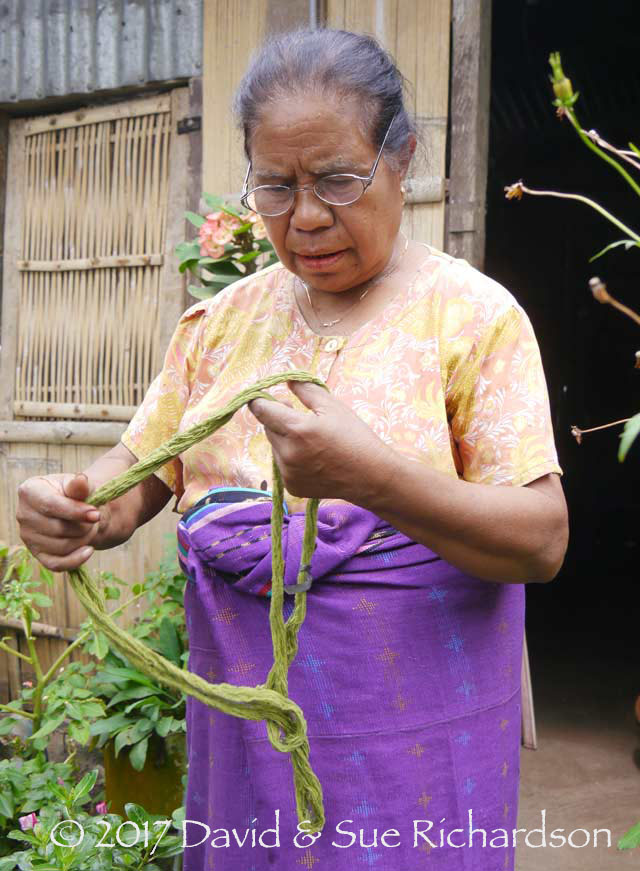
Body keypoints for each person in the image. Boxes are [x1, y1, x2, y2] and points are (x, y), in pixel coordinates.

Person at [17, 28, 568, 871]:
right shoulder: (222, 325)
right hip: (248, 743)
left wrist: (370, 477)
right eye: (274, 187)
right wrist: (74, 508)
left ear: (402, 157)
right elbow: (133, 483)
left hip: (410, 754)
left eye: (337, 179)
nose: (306, 216)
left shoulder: (473, 319)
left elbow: (541, 538)